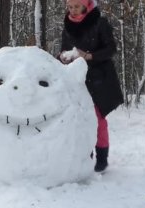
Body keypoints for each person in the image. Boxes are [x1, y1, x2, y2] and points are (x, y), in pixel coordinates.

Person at [59, 0, 124, 172]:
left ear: (86, 7)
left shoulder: (100, 23)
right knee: (80, 119)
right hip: (77, 80)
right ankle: (85, 156)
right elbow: (63, 49)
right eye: (70, 7)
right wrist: (63, 57)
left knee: (97, 119)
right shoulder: (67, 26)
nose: (72, 10)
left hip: (100, 79)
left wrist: (89, 56)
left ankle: (101, 159)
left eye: (76, 7)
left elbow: (111, 49)